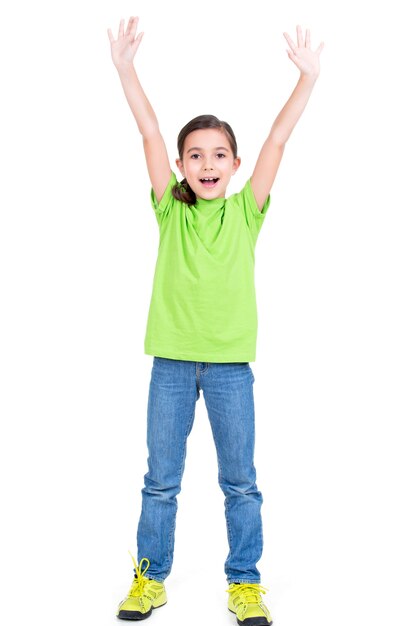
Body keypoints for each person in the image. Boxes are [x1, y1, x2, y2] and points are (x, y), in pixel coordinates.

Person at [107, 16, 324, 625]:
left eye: (219, 155)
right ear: (180, 165)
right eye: (195, 155)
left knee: (241, 483)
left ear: (233, 165)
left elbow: (278, 141)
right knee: (160, 481)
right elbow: (148, 131)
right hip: (172, 365)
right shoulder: (169, 213)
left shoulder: (246, 213)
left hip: (231, 369)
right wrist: (126, 69)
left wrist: (305, 81)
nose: (207, 164)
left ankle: (245, 582)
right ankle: (150, 579)